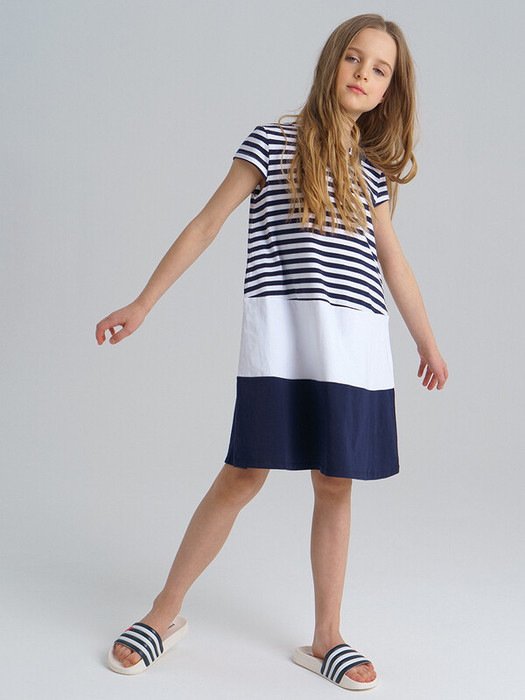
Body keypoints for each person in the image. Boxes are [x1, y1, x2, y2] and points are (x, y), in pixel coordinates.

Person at [96, 13, 448, 691]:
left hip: (352, 351)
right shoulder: (271, 142)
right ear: (331, 62)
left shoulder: (372, 174)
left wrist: (426, 342)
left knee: (335, 484)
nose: (363, 74)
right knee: (242, 474)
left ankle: (326, 637)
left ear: (388, 91)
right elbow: (207, 224)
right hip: (283, 343)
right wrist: (143, 302)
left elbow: (394, 263)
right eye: (354, 57)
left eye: (379, 69)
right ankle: (164, 613)